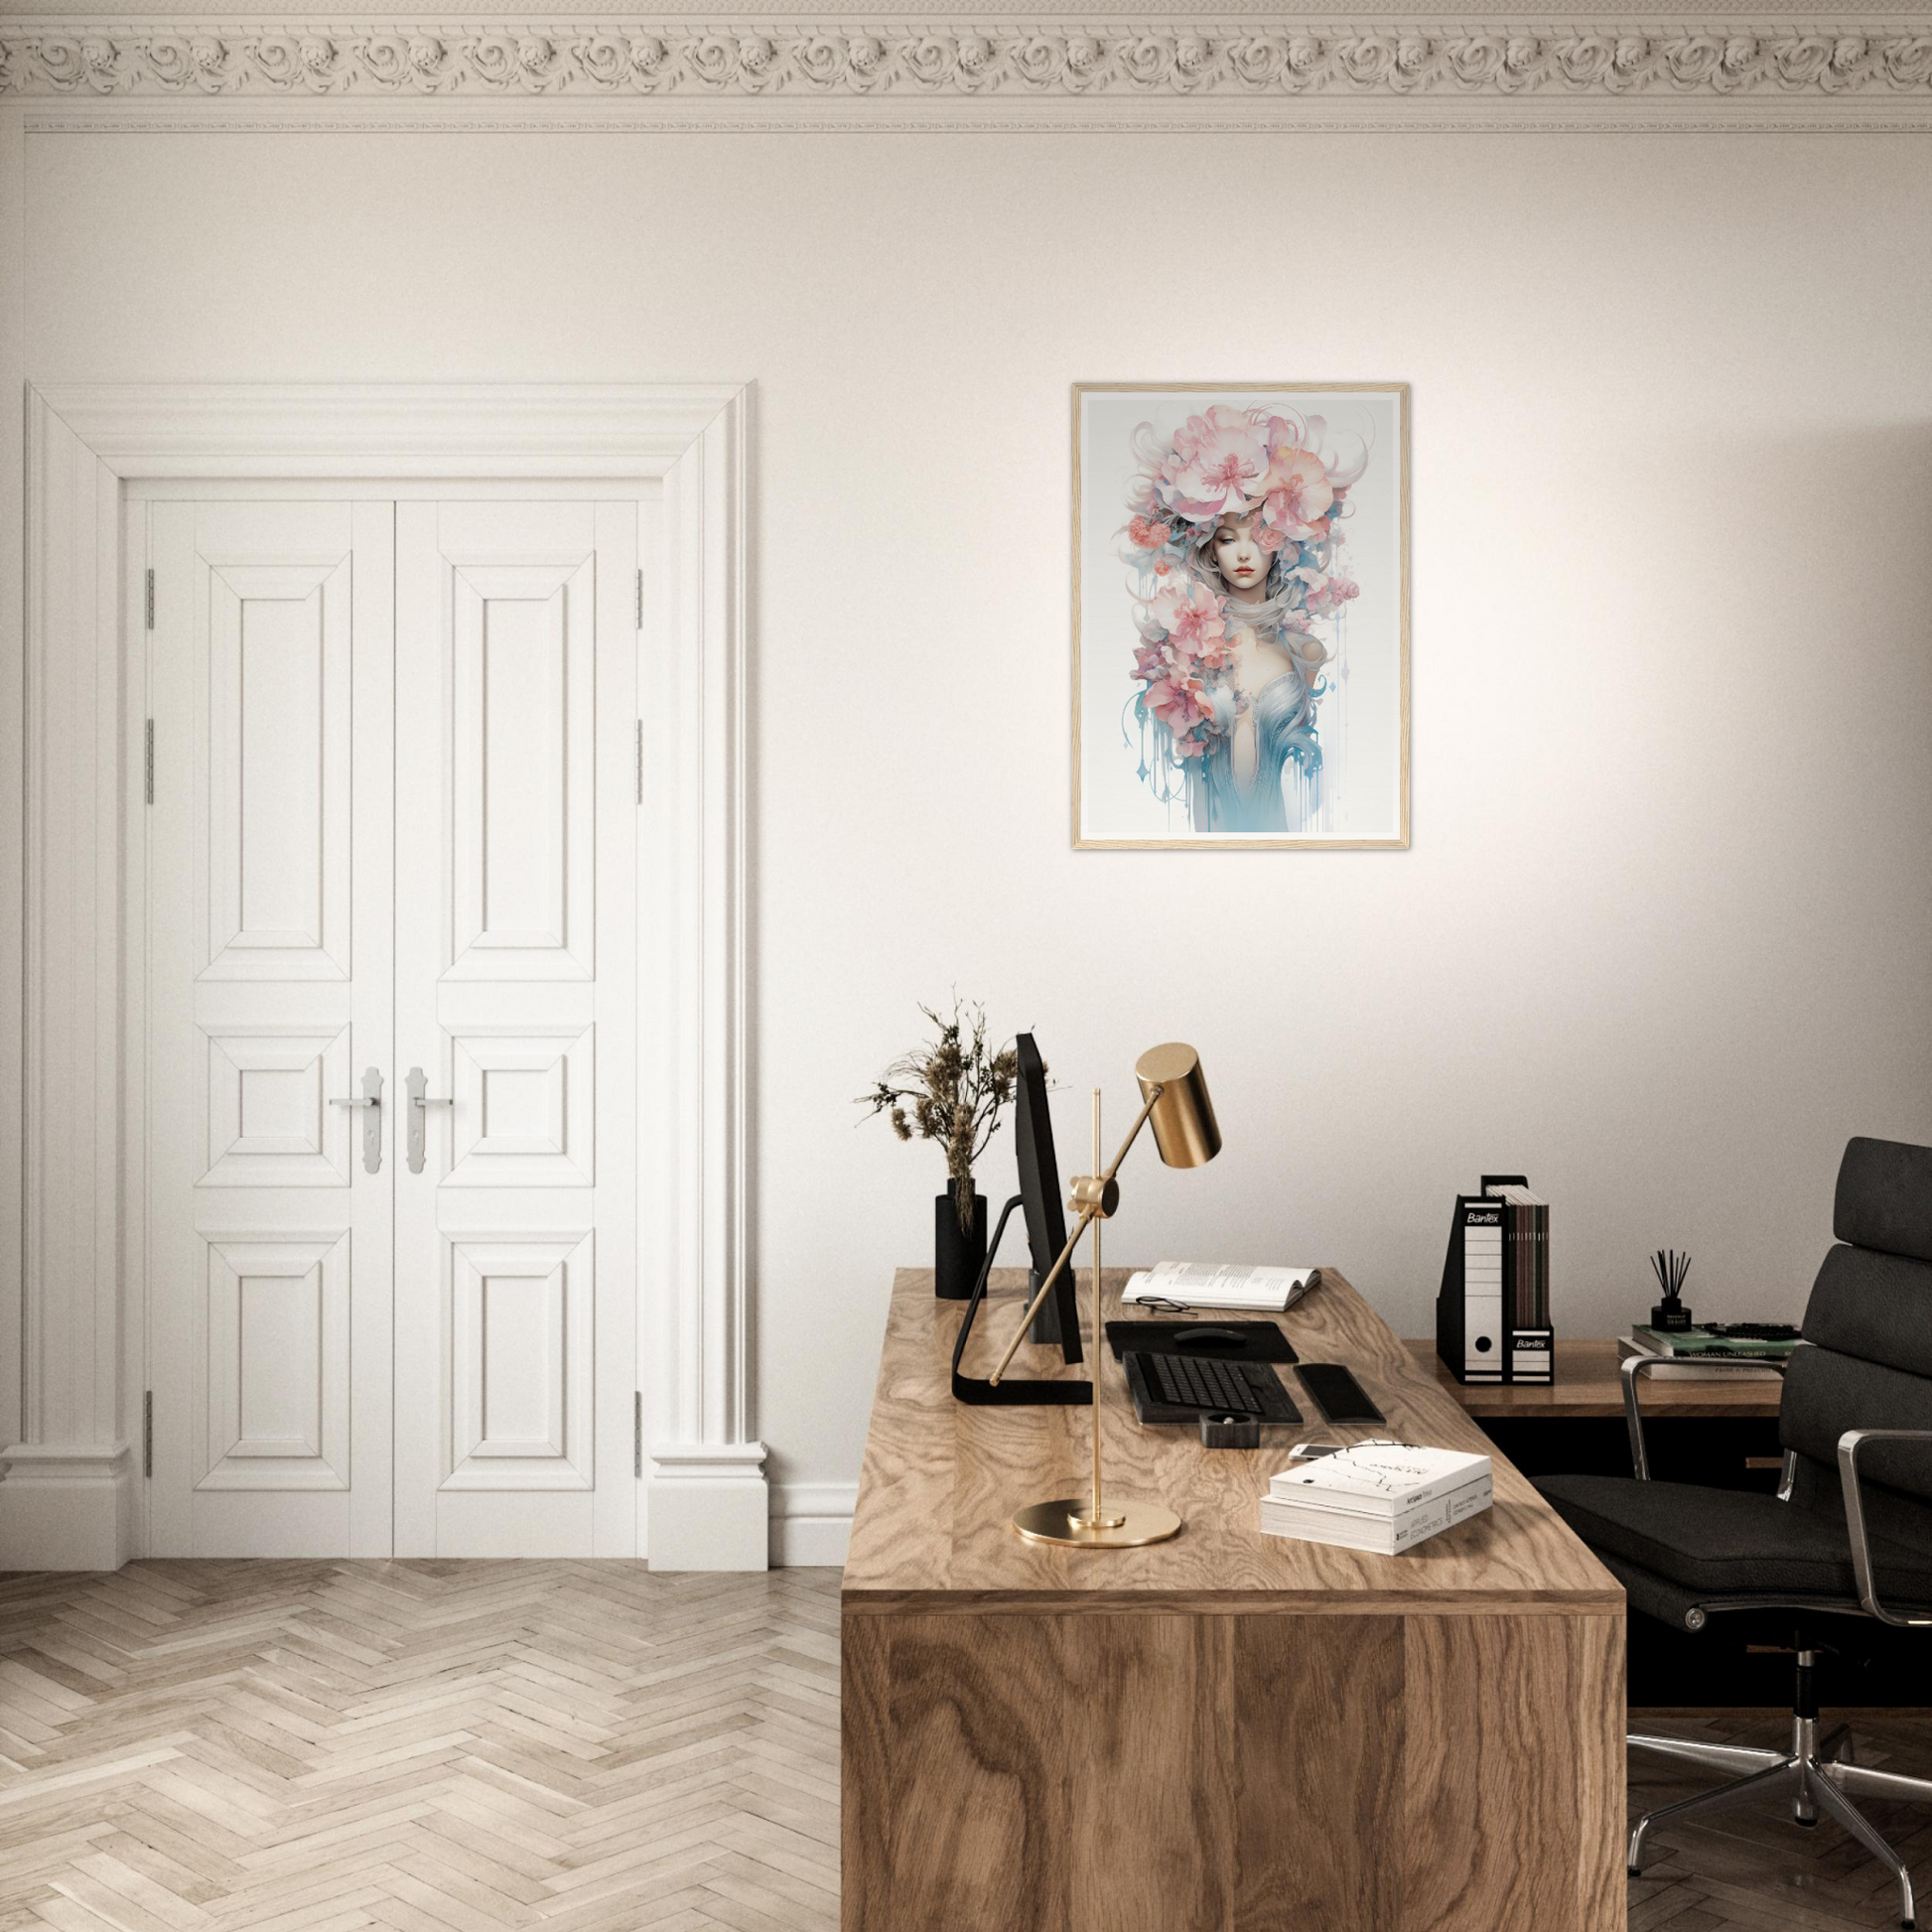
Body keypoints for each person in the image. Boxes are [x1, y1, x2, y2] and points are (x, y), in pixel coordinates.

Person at [1122, 404, 1364, 834]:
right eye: (1229, 538)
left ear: (1282, 541)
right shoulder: (1181, 646)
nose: (1245, 553)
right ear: (1210, 549)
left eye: (1260, 535)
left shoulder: (1305, 651)